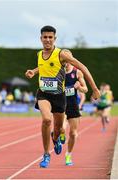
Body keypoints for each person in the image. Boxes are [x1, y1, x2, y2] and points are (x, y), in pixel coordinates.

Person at [25, 25, 100, 168]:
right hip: (43, 94)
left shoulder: (61, 54)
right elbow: (44, 67)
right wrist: (34, 72)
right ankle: (46, 154)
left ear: (54, 39)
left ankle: (55, 138)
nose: (47, 40)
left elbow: (83, 67)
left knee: (58, 129)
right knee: (47, 120)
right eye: (45, 37)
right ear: (41, 38)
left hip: (59, 96)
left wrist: (94, 89)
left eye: (50, 37)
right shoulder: (39, 54)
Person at [59, 63, 88, 165]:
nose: (65, 63)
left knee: (73, 133)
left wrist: (79, 87)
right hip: (61, 106)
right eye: (63, 61)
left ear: (70, 61)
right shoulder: (58, 72)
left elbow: (86, 89)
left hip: (73, 106)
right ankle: (61, 134)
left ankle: (68, 154)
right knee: (62, 127)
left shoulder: (77, 73)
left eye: (67, 61)